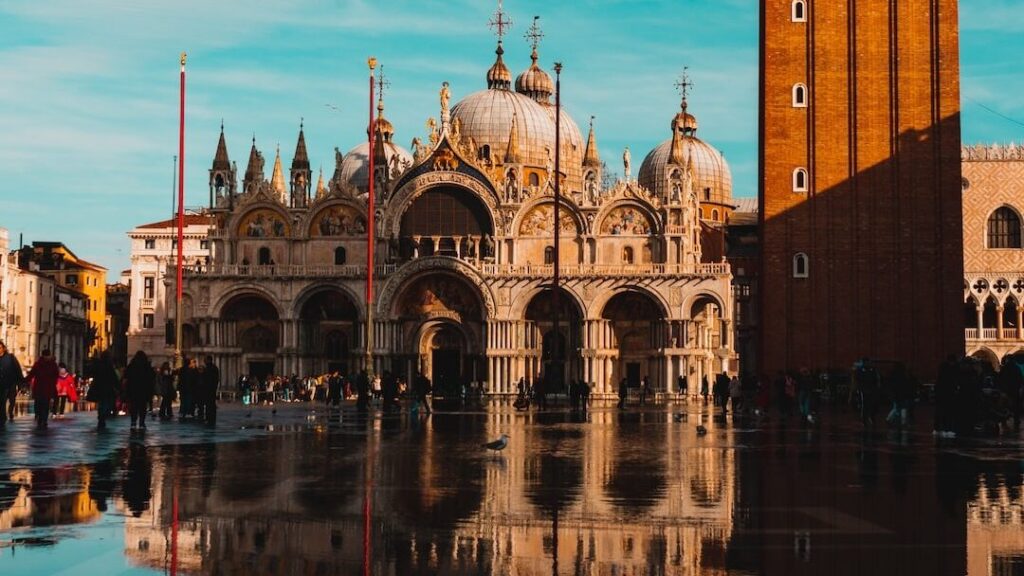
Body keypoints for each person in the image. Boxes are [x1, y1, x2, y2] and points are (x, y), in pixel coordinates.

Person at [27, 350, 59, 429]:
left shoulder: (38, 364)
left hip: (41, 388)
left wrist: (23, 379)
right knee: (42, 404)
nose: (47, 357)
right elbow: (56, 375)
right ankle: (42, 419)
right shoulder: (52, 364)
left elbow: (31, 374)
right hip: (45, 388)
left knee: (43, 404)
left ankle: (42, 419)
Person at [86, 353, 119, 430]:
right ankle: (103, 416)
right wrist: (118, 387)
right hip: (107, 388)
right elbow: (113, 377)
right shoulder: (109, 366)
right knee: (106, 402)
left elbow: (92, 372)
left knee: (101, 403)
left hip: (99, 387)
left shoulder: (98, 365)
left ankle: (101, 416)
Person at [125, 351, 156, 430]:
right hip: (144, 389)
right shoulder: (147, 366)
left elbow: (126, 375)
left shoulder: (132, 366)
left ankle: (133, 422)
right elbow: (152, 377)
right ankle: (142, 422)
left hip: (133, 389)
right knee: (142, 406)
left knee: (134, 406)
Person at [0, 340, 25, 425]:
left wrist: (21, 383)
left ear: (3, 348)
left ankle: (10, 412)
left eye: (0, 348)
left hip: (11, 383)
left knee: (12, 400)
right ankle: (2, 417)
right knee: (2, 401)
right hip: (1, 384)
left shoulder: (10, 357)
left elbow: (18, 370)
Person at [200, 356, 220, 426]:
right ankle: (211, 418)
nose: (204, 362)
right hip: (212, 389)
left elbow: (205, 379)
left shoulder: (208, 369)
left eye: (205, 360)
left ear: (208, 360)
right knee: (211, 404)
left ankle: (209, 418)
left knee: (209, 404)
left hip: (208, 389)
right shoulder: (214, 368)